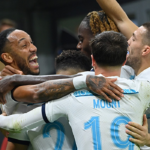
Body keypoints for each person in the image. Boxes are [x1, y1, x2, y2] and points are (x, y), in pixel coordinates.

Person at [0, 31, 149, 150]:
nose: (33, 47)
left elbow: (33, 97)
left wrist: (14, 80)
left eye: (31, 42)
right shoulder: (140, 87)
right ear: (124, 61)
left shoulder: (73, 96)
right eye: (24, 45)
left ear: (93, 60)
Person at [96, 0, 150, 148]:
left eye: (132, 38)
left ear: (145, 50)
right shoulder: (130, 70)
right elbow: (121, 18)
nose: (127, 41)